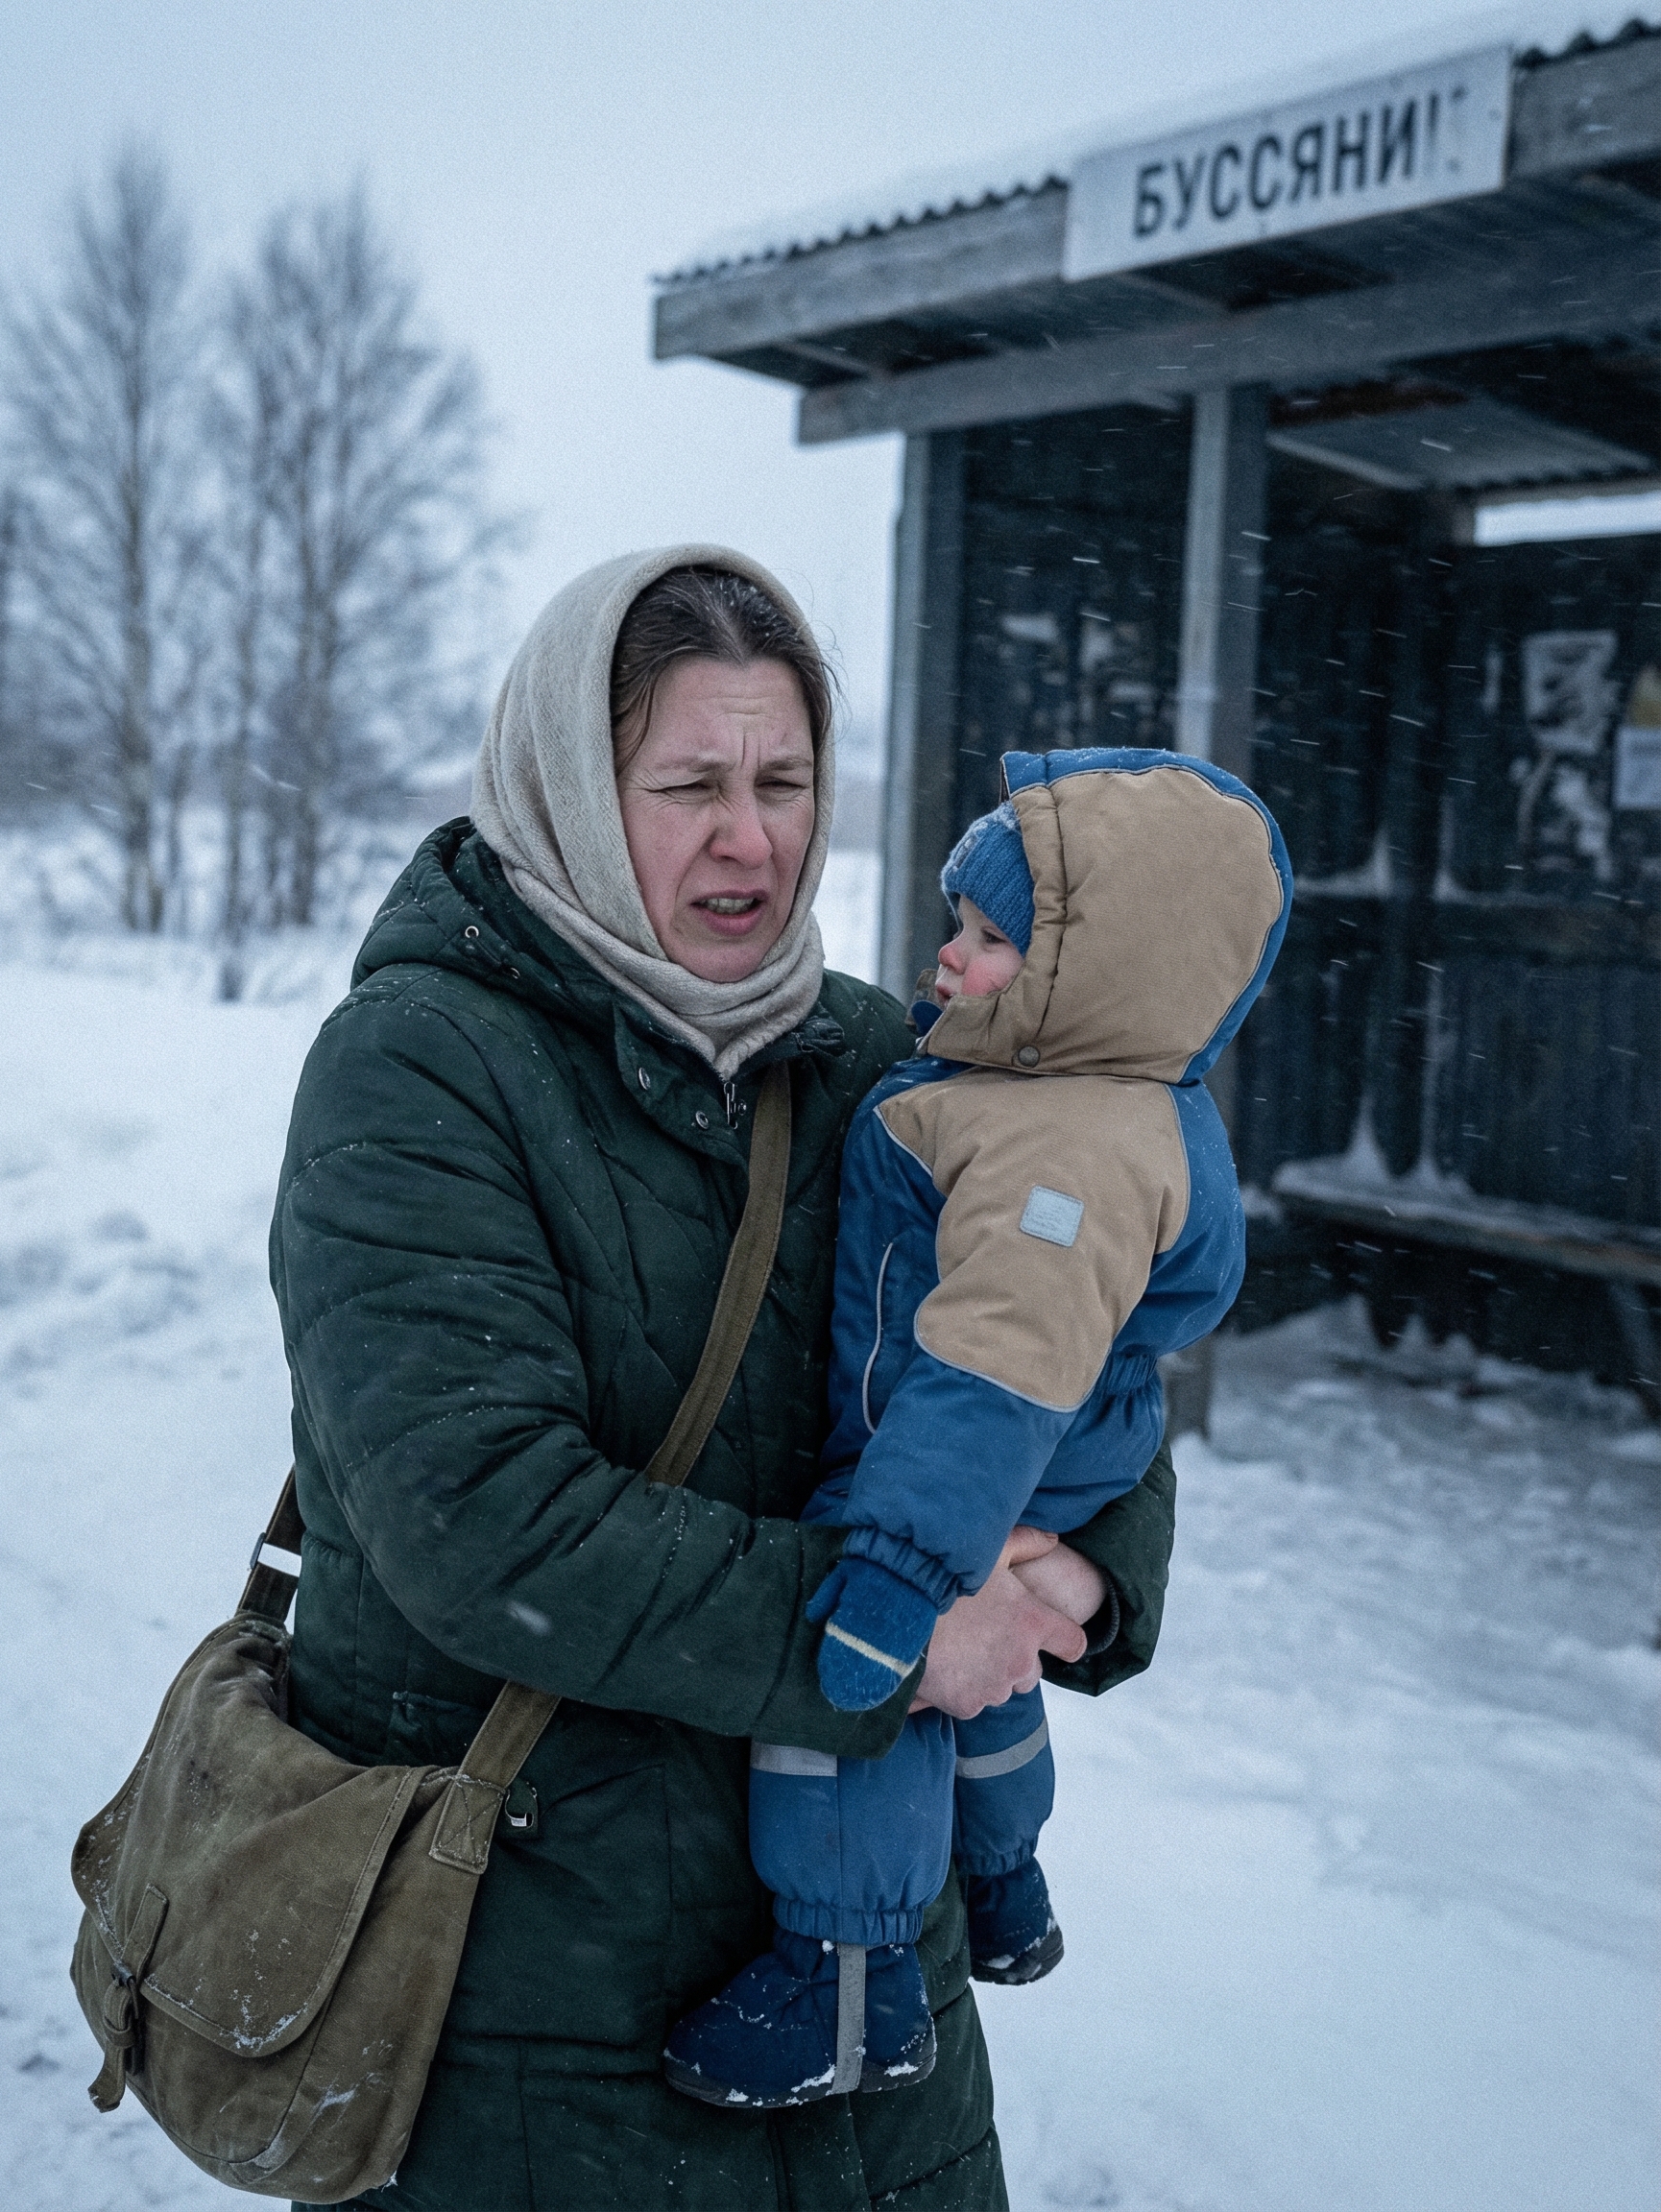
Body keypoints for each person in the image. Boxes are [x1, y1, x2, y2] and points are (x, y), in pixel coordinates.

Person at [269, 549, 1178, 2212]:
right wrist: (887, 1636)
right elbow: (479, 1524)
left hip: (877, 2001)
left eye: (784, 780)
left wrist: (1075, 1568)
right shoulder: (420, 1067)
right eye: (687, 784)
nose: (748, 836)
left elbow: (1062, 1333)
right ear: (566, 782)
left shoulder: (873, 1061)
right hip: (541, 2005)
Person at [663, 751, 1292, 2110]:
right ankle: (1005, 1886)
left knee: (861, 1704)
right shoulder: (1085, 1093)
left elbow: (994, 1374)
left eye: (990, 939)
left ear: (1092, 975)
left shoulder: (1053, 1146)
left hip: (940, 1462)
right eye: (958, 924)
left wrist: (894, 1566)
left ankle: (848, 1987)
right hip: (1032, 1461)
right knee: (988, 1666)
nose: (947, 958)